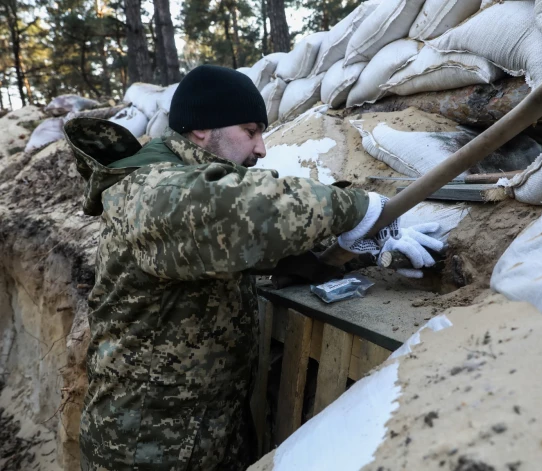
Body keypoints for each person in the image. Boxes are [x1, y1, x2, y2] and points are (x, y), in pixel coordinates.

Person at [64, 65, 442, 470]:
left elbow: (248, 249)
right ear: (201, 130)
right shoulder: (150, 190)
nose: (261, 149)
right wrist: (361, 209)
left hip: (202, 434)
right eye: (249, 131)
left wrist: (357, 246)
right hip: (145, 449)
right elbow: (244, 210)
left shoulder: (183, 191)